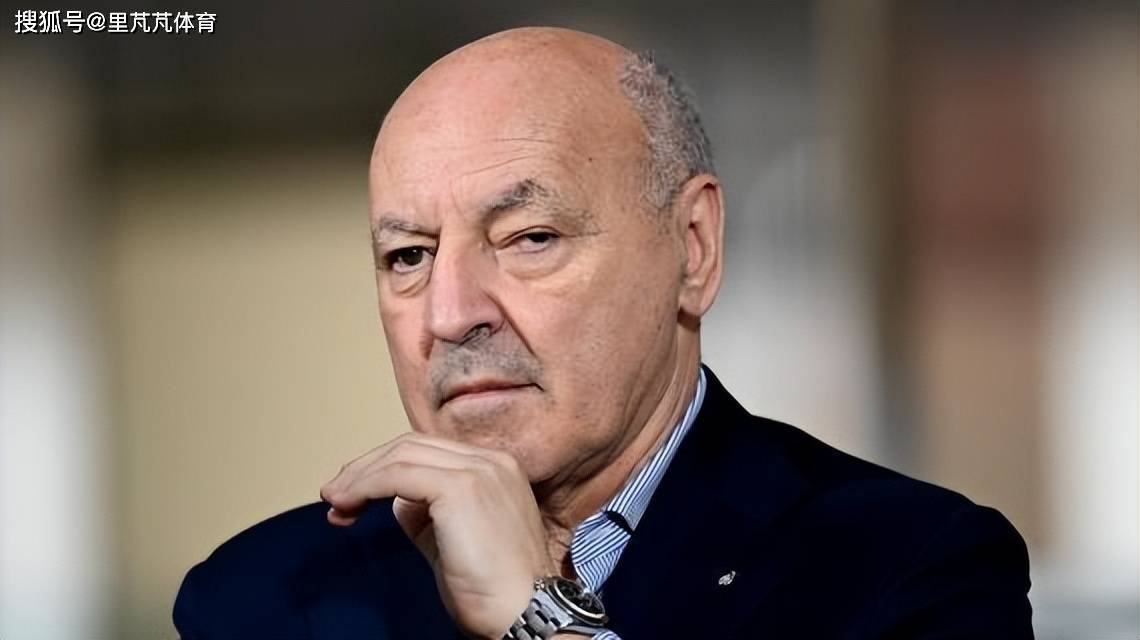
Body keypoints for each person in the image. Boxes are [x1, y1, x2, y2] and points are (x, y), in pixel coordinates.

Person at [173, 27, 1033, 639]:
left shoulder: (909, 567)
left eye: (529, 238)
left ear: (692, 247)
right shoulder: (263, 597)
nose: (450, 313)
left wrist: (540, 621)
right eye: (409, 257)